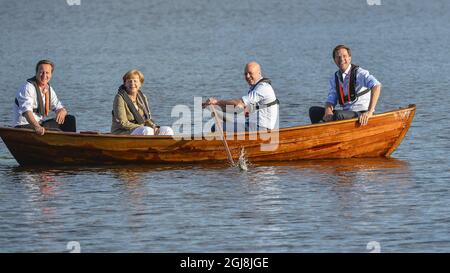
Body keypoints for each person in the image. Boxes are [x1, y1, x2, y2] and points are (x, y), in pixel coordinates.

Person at [309, 45, 382, 126]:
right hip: (346, 114)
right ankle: (321, 135)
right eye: (338, 57)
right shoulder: (335, 78)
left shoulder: (359, 73)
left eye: (344, 56)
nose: (341, 59)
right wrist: (328, 111)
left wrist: (370, 112)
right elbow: (331, 99)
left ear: (350, 58)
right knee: (313, 111)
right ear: (334, 60)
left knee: (338, 115)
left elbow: (377, 86)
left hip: (361, 113)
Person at [202, 61, 279, 132]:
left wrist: (217, 102)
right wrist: (213, 106)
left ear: (259, 73)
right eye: (245, 74)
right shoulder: (255, 88)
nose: (247, 76)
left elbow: (239, 103)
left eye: (250, 73)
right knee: (224, 121)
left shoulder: (263, 88)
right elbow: (238, 109)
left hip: (260, 128)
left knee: (215, 127)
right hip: (252, 124)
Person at [13, 59, 76, 135]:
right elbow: (26, 112)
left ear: (51, 75)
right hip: (24, 126)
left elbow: (58, 106)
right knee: (57, 132)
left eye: (47, 73)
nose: (44, 75)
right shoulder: (27, 88)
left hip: (40, 124)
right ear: (36, 73)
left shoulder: (49, 89)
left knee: (70, 119)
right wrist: (37, 127)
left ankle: (70, 144)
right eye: (41, 72)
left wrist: (62, 111)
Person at [111, 69, 173, 135]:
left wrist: (154, 127)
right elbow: (123, 123)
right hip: (123, 131)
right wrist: (142, 127)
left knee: (167, 130)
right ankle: (146, 145)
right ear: (125, 84)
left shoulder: (143, 97)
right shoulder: (119, 98)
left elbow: (147, 119)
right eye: (129, 81)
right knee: (147, 130)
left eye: (135, 81)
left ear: (140, 84)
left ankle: (163, 145)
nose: (132, 84)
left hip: (141, 128)